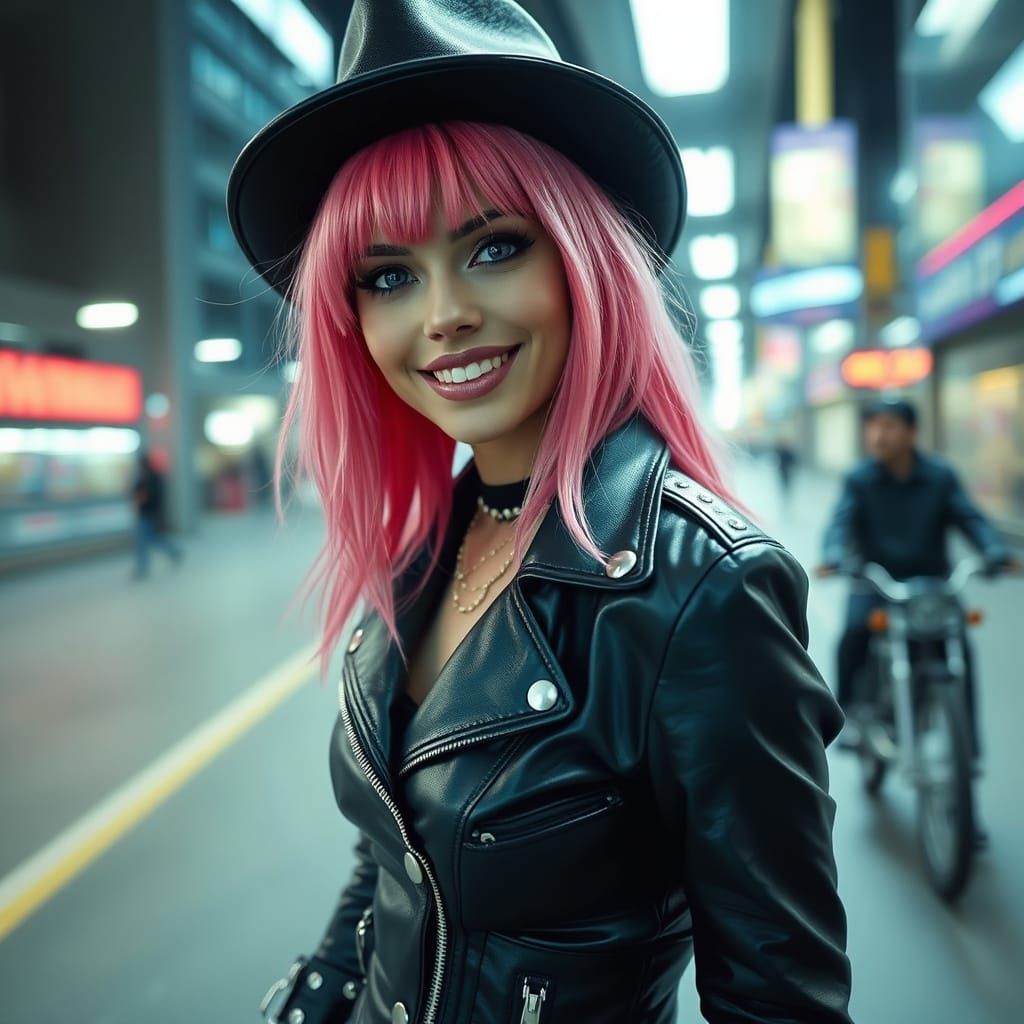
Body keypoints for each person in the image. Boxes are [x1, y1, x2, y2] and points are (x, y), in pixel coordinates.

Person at [235, 3, 852, 1022]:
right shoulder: (425, 546)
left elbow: (782, 998)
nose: (440, 315)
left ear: (583, 262)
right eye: (387, 275)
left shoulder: (702, 591)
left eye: (492, 248)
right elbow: (397, 857)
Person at [816, 397, 1019, 769]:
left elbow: (970, 518)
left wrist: (994, 550)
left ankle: (967, 756)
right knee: (853, 634)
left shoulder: (941, 476)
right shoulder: (859, 480)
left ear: (912, 432)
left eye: (889, 425)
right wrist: (833, 556)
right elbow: (840, 523)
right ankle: (851, 720)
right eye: (872, 425)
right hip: (876, 584)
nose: (878, 434)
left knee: (961, 650)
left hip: (932, 588)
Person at [130, 452, 182, 579]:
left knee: (145, 541)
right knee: (153, 539)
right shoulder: (144, 478)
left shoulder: (152, 478)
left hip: (150, 514)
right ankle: (174, 551)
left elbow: (155, 498)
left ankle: (143, 567)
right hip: (146, 514)